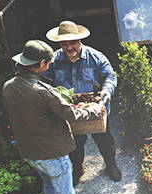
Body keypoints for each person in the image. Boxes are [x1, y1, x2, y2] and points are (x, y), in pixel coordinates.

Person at [3, 40, 101, 194]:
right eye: (48, 62)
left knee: (48, 184)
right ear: (42, 63)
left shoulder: (8, 86)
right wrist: (93, 110)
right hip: (52, 154)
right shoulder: (42, 91)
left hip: (30, 153)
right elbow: (71, 114)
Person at [43, 21, 121, 184]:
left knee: (104, 139)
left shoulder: (96, 57)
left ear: (79, 41)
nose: (69, 47)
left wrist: (106, 93)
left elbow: (110, 76)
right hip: (69, 111)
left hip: (95, 109)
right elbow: (44, 81)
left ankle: (111, 164)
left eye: (72, 43)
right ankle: (78, 168)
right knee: (74, 144)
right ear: (60, 43)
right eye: (65, 44)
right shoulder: (54, 60)